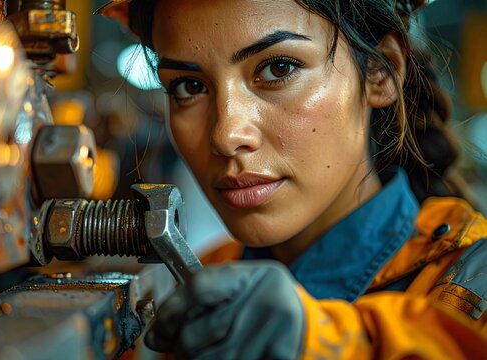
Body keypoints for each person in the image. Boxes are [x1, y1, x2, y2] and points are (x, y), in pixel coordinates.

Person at [98, 0, 487, 358]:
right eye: (189, 86)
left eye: (278, 68)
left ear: (380, 72)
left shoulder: (471, 289)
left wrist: (317, 342)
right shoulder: (200, 283)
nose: (226, 135)